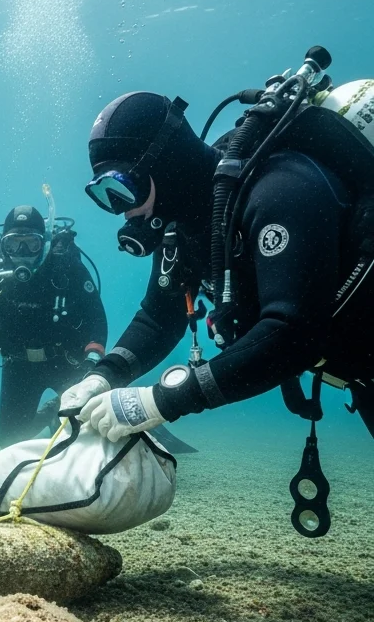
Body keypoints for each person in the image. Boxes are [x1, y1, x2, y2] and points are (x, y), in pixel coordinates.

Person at [60, 83, 374, 444]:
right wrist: (103, 375)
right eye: (105, 196)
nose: (123, 211)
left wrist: (161, 400)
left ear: (165, 163)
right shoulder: (178, 228)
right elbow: (159, 318)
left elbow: (294, 333)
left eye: (124, 187)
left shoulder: (279, 189)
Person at [0, 204, 106, 446]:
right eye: (14, 244)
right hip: (18, 365)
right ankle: (50, 412)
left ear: (44, 243)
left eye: (31, 243)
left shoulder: (66, 266)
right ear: (3, 244)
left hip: (67, 361)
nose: (22, 252)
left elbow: (96, 315)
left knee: (88, 428)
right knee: (9, 441)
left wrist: (93, 359)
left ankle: (60, 413)